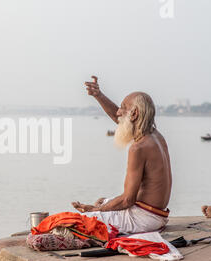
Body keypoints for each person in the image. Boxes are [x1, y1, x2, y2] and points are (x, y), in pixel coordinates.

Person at [71, 76, 172, 234]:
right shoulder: (155, 135)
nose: (118, 112)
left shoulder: (138, 148)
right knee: (102, 201)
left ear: (134, 114)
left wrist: (96, 210)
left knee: (77, 222)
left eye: (123, 107)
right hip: (156, 214)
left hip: (144, 218)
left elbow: (127, 200)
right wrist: (99, 95)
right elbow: (119, 118)